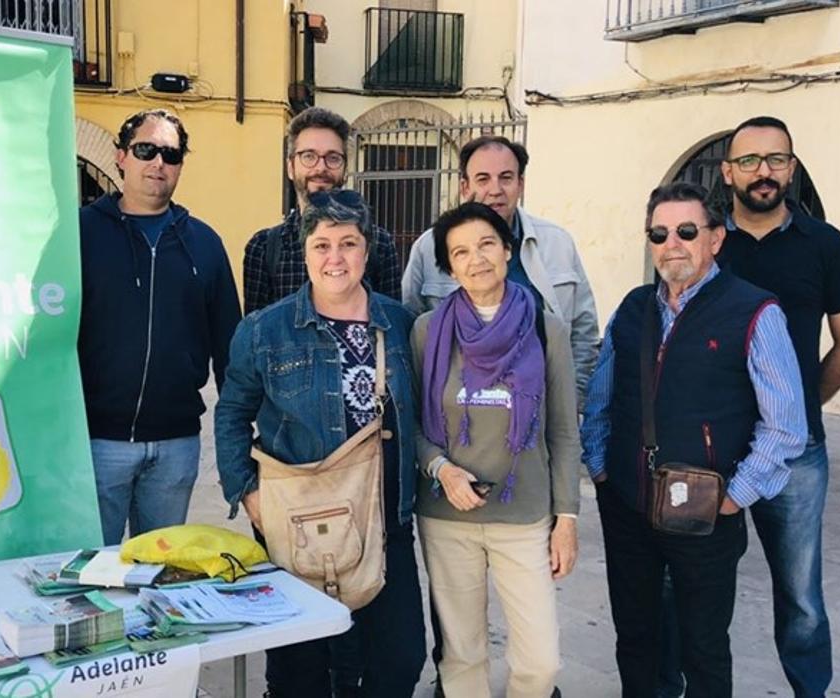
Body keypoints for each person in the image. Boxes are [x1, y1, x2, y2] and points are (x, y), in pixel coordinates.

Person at [581, 182, 807, 697]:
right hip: (629, 508)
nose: (672, 244)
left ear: (716, 239)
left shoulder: (754, 311)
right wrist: (600, 468)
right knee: (636, 638)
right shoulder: (634, 308)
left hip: (705, 515)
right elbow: (600, 396)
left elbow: (786, 424)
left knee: (703, 645)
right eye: (659, 233)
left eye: (687, 231)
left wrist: (734, 497)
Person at [215, 190, 425, 697]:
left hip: (383, 519)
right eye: (322, 245)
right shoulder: (265, 330)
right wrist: (248, 494)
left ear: (367, 250)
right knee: (299, 672)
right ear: (306, 252)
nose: (335, 258)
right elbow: (231, 414)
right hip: (297, 521)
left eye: (348, 244)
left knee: (399, 657)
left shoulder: (400, 324)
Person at [715, 115, 840, 697]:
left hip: (796, 457)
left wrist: (799, 408)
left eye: (775, 159)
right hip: (714, 446)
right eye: (750, 160)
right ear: (729, 171)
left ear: (792, 168)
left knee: (801, 596)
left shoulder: (825, 245)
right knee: (697, 585)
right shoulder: (703, 242)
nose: (763, 172)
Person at [411, 202, 580, 698]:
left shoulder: (548, 330)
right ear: (448, 266)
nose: (476, 259)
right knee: (462, 656)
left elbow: (564, 432)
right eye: (459, 252)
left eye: (486, 244)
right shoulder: (427, 332)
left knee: (541, 660)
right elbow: (415, 426)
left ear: (508, 250)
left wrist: (566, 519)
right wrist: (442, 470)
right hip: (447, 516)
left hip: (523, 513)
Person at [77, 109, 242, 545]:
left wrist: (238, 436)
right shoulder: (79, 234)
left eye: (170, 154)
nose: (158, 164)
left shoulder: (204, 244)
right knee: (96, 576)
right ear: (120, 157)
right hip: (97, 443)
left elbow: (229, 345)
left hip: (176, 445)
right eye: (146, 150)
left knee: (157, 578)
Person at [401, 136, 598, 403]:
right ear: (464, 186)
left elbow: (583, 334)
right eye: (483, 179)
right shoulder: (429, 247)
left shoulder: (558, 243)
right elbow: (413, 329)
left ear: (521, 184)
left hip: (543, 406)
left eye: (506, 178)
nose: (495, 190)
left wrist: (570, 400)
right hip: (462, 411)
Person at [242, 107, 400, 314]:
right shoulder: (264, 248)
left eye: (333, 158)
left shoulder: (380, 244)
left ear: (345, 168)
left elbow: (390, 323)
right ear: (290, 167)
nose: (320, 167)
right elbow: (257, 335)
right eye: (309, 156)